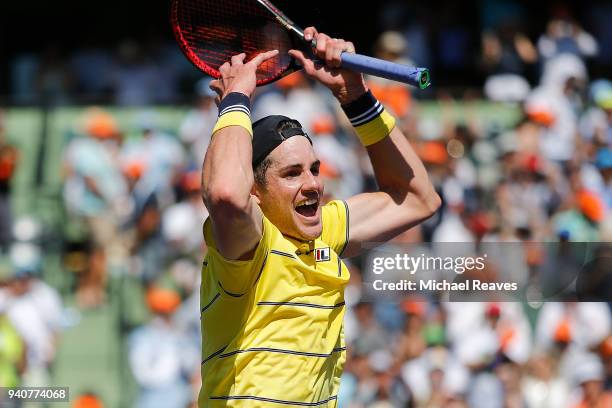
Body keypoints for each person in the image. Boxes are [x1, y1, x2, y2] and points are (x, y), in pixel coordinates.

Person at [199, 27, 441, 406]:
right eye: (292, 173)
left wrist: (356, 98)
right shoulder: (247, 246)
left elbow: (417, 198)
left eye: (314, 168)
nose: (313, 184)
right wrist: (235, 102)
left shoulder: (324, 230)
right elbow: (226, 194)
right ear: (256, 192)